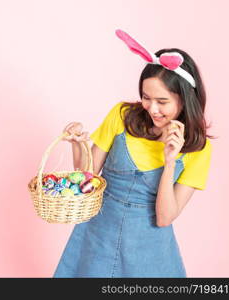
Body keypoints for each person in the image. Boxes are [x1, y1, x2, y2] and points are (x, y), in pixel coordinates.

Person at [53, 29, 213, 278]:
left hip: (149, 251)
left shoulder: (198, 149)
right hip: (97, 236)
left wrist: (169, 162)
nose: (152, 108)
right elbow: (87, 178)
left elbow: (164, 218)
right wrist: (77, 143)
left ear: (185, 100)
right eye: (146, 98)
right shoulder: (122, 116)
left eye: (163, 101)